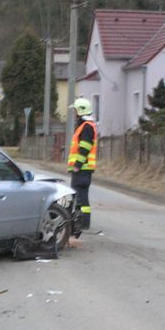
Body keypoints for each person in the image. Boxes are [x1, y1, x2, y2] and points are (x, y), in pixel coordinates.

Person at [67, 97, 97, 231]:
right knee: (80, 197)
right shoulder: (86, 127)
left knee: (81, 197)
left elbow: (84, 147)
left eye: (75, 111)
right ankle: (80, 222)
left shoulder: (86, 128)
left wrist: (77, 165)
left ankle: (83, 223)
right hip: (84, 169)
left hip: (82, 169)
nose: (74, 114)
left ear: (80, 111)